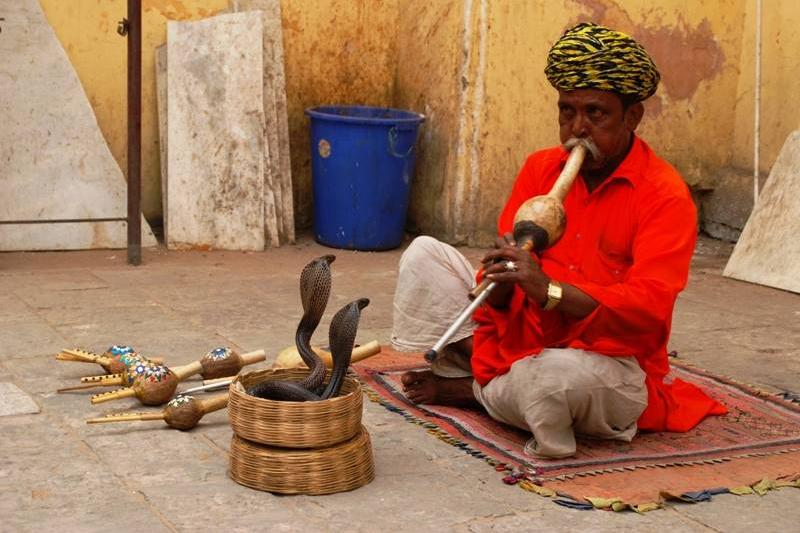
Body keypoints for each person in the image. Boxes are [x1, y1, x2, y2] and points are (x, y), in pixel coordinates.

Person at [391, 22, 727, 459]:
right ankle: (501, 383)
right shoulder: (541, 169)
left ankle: (475, 391)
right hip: (524, 338)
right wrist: (500, 286)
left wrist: (549, 291)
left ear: (632, 116)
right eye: (567, 112)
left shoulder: (664, 195)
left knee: (553, 380)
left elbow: (648, 308)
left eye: (596, 114)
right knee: (423, 257)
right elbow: (509, 278)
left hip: (607, 360)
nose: (577, 129)